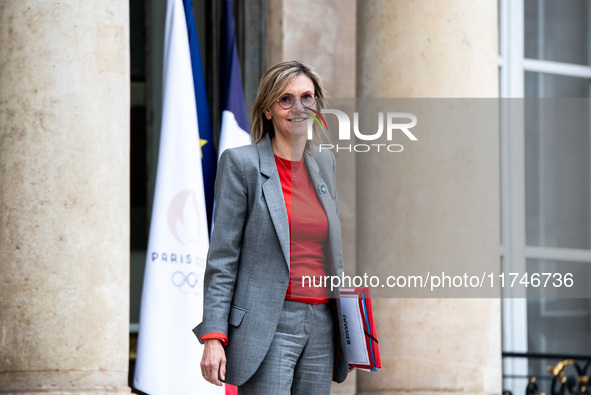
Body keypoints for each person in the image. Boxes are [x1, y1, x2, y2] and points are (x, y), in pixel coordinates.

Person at [193, 60, 349, 394]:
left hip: (322, 323)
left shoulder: (325, 162)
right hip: (269, 323)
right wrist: (214, 336)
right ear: (267, 110)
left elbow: (331, 252)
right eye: (285, 99)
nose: (298, 107)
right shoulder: (241, 163)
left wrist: (350, 322)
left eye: (307, 97)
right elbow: (222, 259)